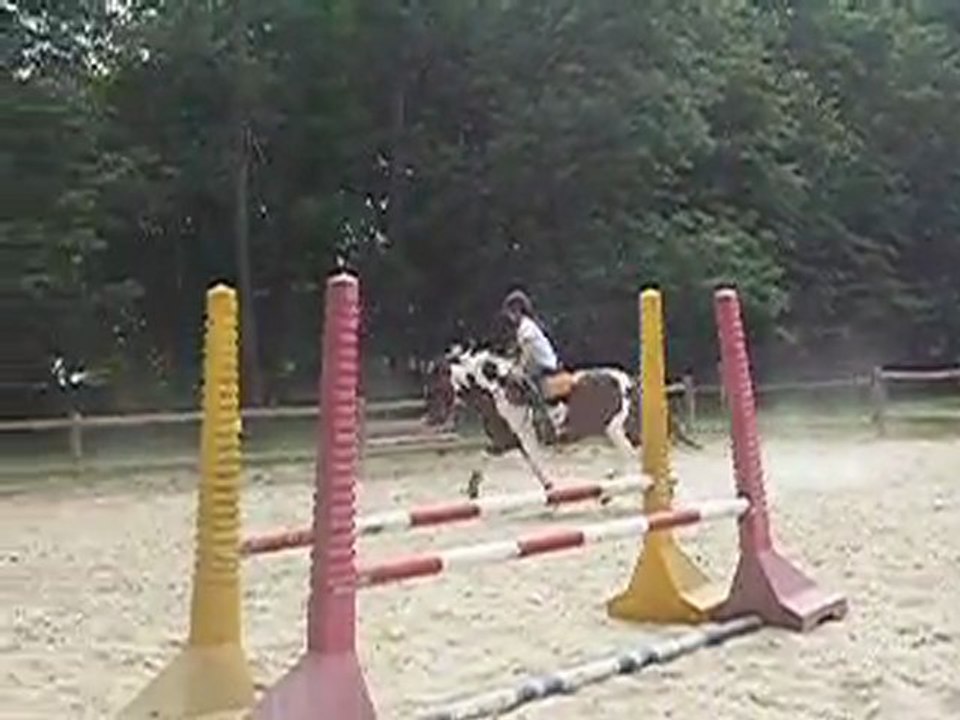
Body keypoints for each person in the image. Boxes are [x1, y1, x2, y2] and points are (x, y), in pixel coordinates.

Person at [500, 289, 561, 441]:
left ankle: (543, 421)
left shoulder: (526, 327)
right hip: (537, 364)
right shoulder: (523, 328)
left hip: (544, 364)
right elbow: (518, 350)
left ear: (516, 311)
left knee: (525, 384)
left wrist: (519, 370)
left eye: (509, 313)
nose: (508, 317)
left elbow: (527, 353)